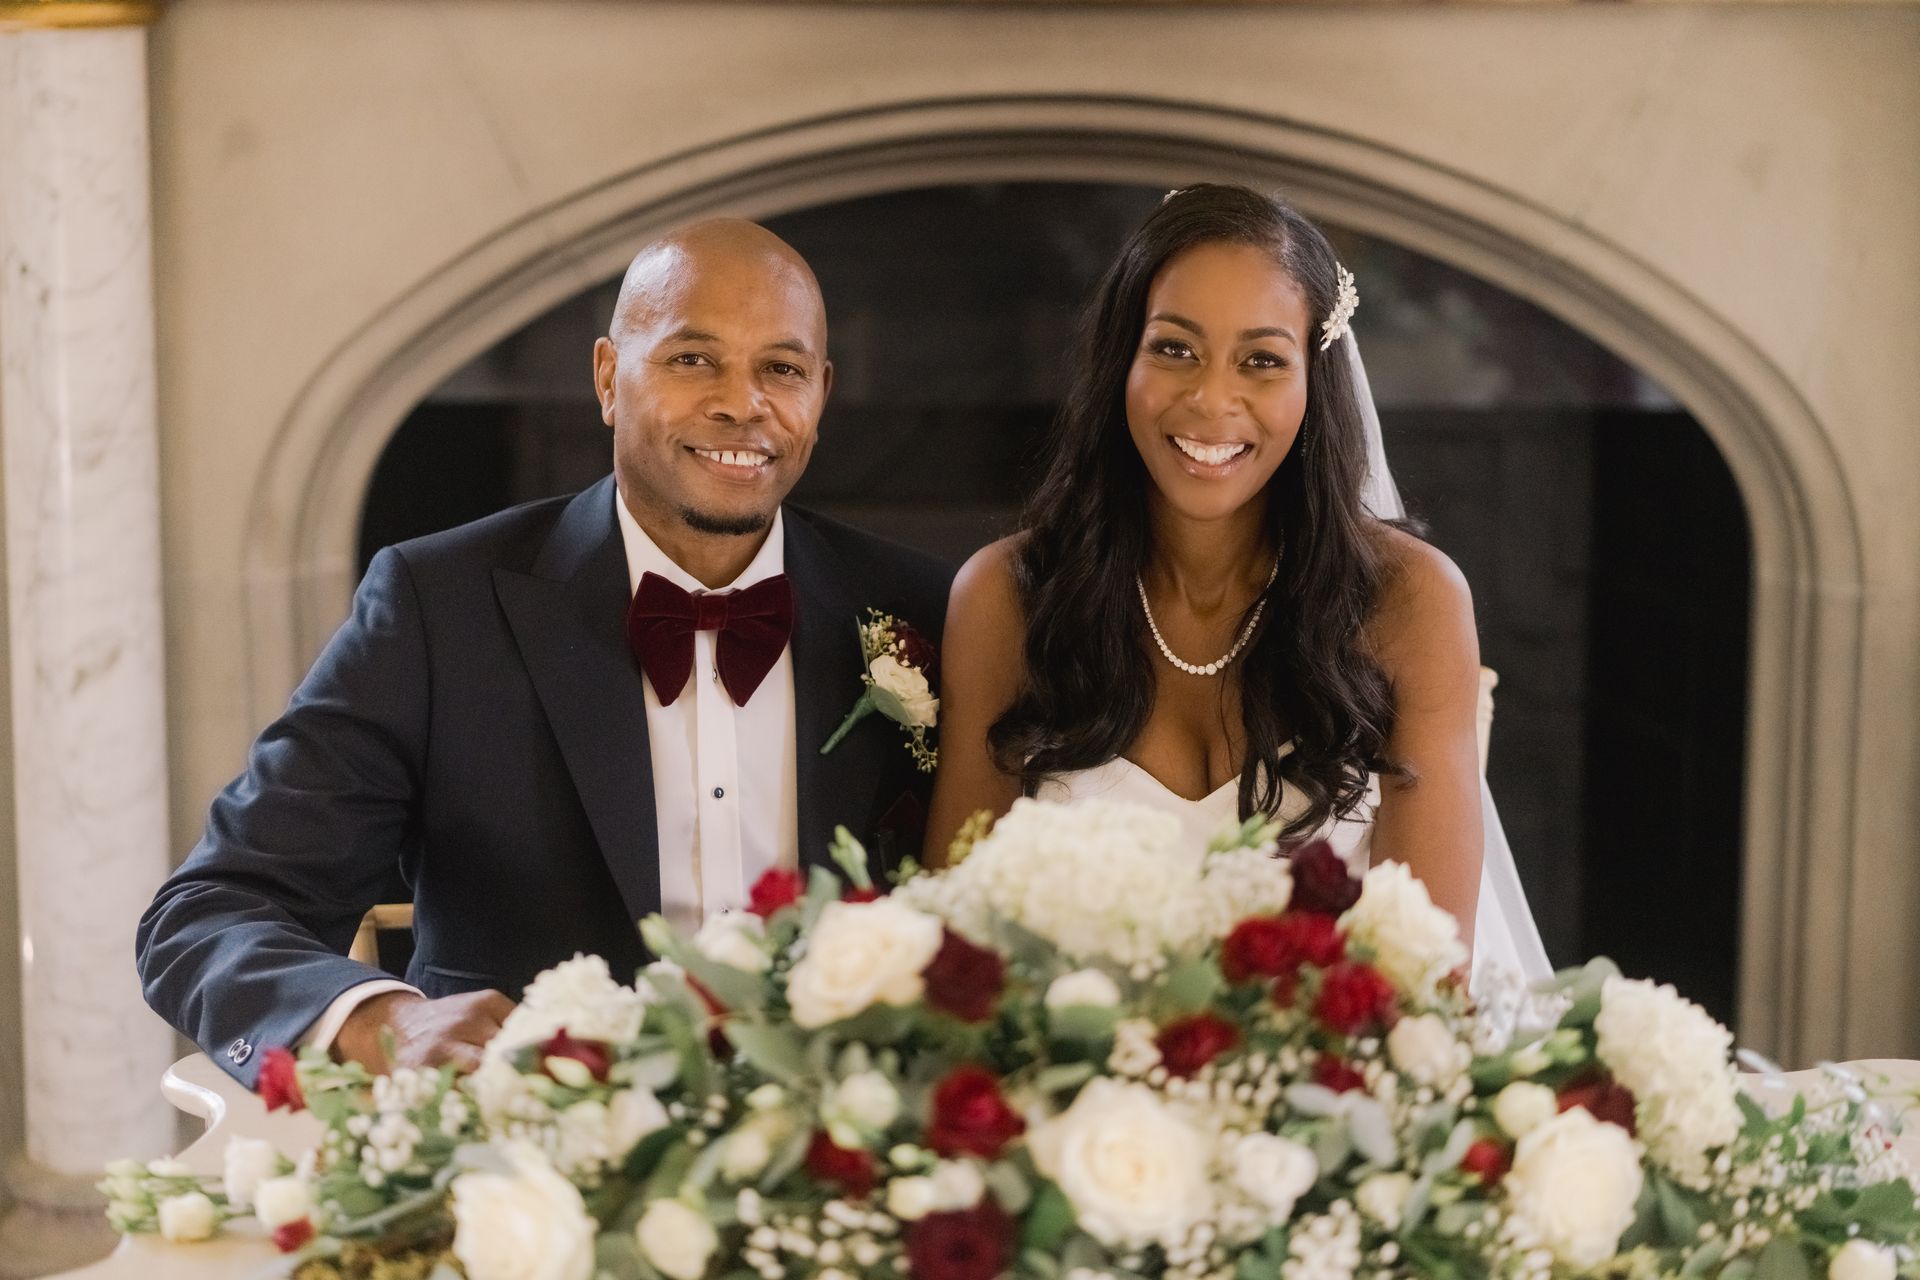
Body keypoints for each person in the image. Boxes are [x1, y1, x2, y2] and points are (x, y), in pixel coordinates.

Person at [139, 220, 954, 1083]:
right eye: (692, 359)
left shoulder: (924, 612)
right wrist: (382, 1021)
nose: (742, 403)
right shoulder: (437, 607)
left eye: (781, 369)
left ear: (820, 394)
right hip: (533, 1168)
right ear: (609, 377)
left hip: (846, 1150)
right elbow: (208, 913)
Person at [926, 184, 1548, 978]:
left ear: (1312, 383)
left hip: (1335, 1087)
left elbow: (1428, 977)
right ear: (1124, 358)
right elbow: (953, 952)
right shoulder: (1008, 595)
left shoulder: (1409, 600)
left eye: (1261, 361)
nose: (1211, 400)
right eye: (1175, 349)